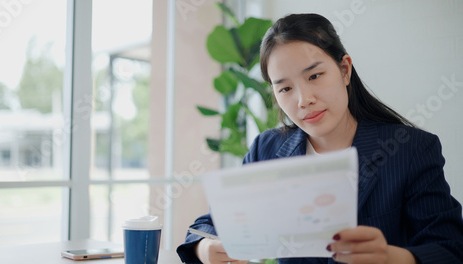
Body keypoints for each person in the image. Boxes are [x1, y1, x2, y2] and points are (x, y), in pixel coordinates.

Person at [176, 13, 463, 264]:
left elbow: (451, 249)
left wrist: (392, 257)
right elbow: (208, 226)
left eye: (314, 77)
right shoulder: (267, 149)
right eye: (285, 88)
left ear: (344, 70)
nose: (304, 100)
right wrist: (205, 249)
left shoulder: (410, 149)